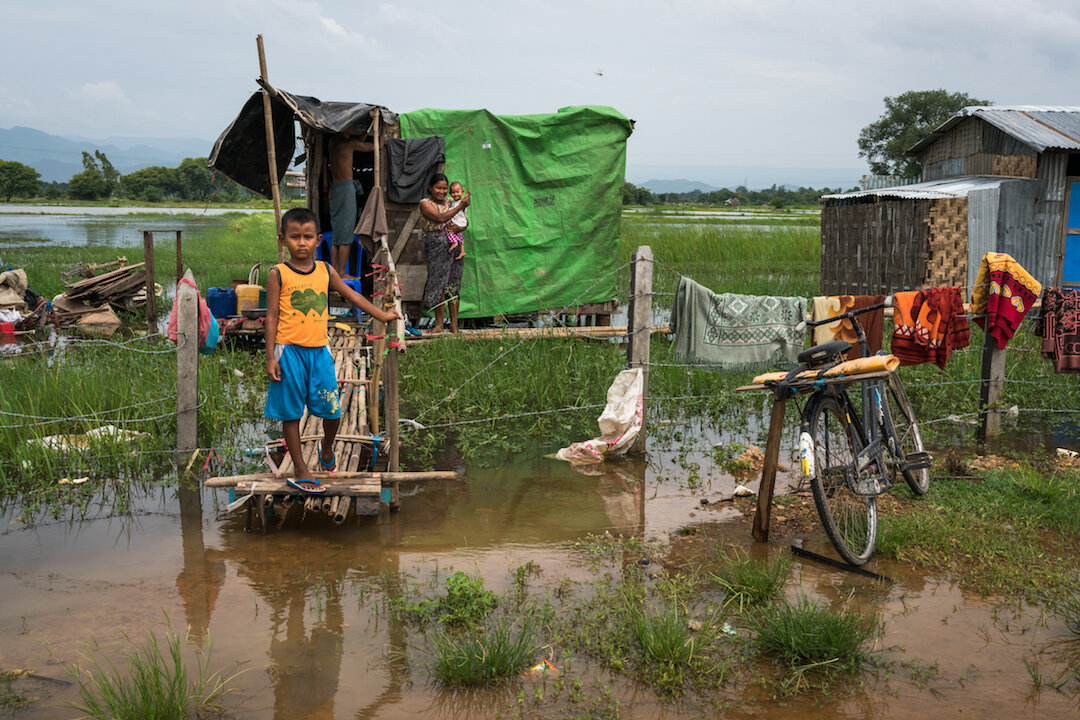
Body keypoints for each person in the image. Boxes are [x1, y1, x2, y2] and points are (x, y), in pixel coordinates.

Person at [265, 207, 400, 493]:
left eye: (308, 237)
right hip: (288, 351)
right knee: (290, 413)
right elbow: (273, 317)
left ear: (317, 241)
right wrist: (270, 358)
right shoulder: (278, 273)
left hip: (319, 351)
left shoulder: (325, 270)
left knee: (332, 410)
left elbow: (352, 294)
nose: (301, 243)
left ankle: (327, 451)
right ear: (283, 239)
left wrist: (381, 315)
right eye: (295, 237)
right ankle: (301, 468)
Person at [420, 173, 471, 333]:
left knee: (453, 284)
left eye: (444, 188)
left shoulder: (452, 201)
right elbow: (440, 218)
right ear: (430, 188)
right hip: (436, 244)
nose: (442, 191)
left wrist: (463, 227)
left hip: (454, 244)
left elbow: (464, 219)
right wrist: (460, 206)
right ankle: (440, 324)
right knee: (438, 284)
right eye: (438, 188)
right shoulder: (425, 203)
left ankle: (454, 325)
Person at [328, 128, 376, 278]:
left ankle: (335, 272)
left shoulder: (333, 143)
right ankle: (342, 273)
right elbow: (376, 147)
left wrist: (363, 134)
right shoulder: (350, 145)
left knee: (337, 235)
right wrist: (382, 133)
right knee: (347, 234)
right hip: (347, 188)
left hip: (335, 188)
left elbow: (356, 142)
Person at [446, 181, 468, 261]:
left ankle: (454, 242)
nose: (455, 194)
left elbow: (465, 201)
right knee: (460, 236)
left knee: (448, 229)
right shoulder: (452, 201)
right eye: (453, 192)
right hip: (462, 223)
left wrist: (467, 196)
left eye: (457, 192)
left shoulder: (462, 201)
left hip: (457, 222)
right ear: (450, 193)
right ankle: (462, 251)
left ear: (462, 192)